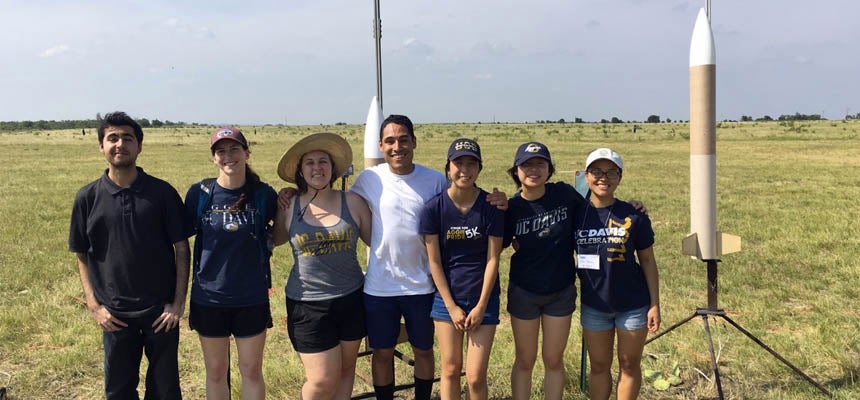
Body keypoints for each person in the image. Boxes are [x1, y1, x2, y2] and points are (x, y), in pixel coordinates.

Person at [277, 115, 506, 400]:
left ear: (414, 142)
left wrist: (495, 199)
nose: (397, 147)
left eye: (403, 140)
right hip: (379, 285)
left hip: (422, 283)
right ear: (381, 146)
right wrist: (292, 193)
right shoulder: (369, 178)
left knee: (423, 350)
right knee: (382, 352)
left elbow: (460, 199)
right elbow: (334, 200)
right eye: (390, 141)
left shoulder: (434, 180)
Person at [69, 111, 190, 400]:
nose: (119, 144)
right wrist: (94, 306)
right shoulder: (87, 198)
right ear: (101, 146)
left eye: (127, 138)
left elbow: (182, 249)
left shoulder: (162, 193)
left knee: (165, 390)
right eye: (112, 138)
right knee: (119, 390)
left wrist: (176, 304)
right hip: (114, 314)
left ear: (139, 146)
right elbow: (82, 254)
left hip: (160, 313)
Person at [271, 132, 372, 400]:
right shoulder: (289, 205)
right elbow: (274, 240)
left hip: (351, 298)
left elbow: (379, 241)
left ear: (333, 168)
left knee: (346, 371)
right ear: (300, 172)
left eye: (323, 161)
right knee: (321, 381)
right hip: (308, 304)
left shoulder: (353, 202)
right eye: (310, 163)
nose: (318, 168)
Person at [184, 127, 277, 400]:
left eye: (234, 149)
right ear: (214, 158)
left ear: (247, 153)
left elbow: (279, 233)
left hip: (251, 297)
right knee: (215, 371)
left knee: (251, 371)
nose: (228, 156)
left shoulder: (263, 195)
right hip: (209, 298)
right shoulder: (200, 194)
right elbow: (179, 239)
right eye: (221, 151)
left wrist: (289, 198)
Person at [419, 138, 504, 400]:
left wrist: (480, 306)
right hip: (447, 300)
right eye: (458, 163)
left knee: (476, 375)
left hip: (483, 299)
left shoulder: (492, 207)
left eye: (471, 164)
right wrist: (452, 306)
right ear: (448, 168)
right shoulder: (434, 208)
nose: (464, 170)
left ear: (479, 169)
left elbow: (493, 259)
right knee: (451, 369)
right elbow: (434, 261)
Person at [575, 148, 660, 400]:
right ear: (587, 176)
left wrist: (654, 304)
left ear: (620, 177)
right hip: (594, 305)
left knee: (628, 364)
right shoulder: (576, 213)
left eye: (611, 172)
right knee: (599, 366)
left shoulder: (634, 215)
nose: (604, 178)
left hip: (633, 305)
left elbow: (647, 261)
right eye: (597, 172)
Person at [503, 141, 585, 400]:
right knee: (525, 360)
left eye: (540, 164)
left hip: (560, 290)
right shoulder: (511, 207)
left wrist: (631, 206)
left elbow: (596, 211)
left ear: (550, 169)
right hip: (524, 291)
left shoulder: (565, 194)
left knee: (553, 359)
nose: (534, 170)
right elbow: (496, 241)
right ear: (516, 171)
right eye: (526, 164)